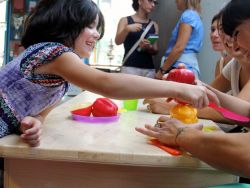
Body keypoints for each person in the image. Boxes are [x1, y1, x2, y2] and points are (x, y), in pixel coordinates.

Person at [0, 0, 218, 147]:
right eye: (91, 26)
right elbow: (106, 82)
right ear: (65, 24)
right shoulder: (55, 53)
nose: (97, 35)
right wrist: (178, 87)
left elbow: (39, 114)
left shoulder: (61, 79)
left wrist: (35, 121)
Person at [136, 0, 250, 178]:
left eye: (234, 33)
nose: (231, 43)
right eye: (219, 31)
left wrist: (181, 134)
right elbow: (245, 113)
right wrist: (198, 88)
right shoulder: (232, 65)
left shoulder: (188, 17)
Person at [155, 0, 203, 80]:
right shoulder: (195, 16)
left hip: (179, 69)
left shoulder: (188, 15)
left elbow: (179, 48)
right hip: (188, 68)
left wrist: (162, 70)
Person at [115, 0, 159, 78]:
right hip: (129, 68)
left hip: (149, 70)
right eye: (150, 1)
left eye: (154, 2)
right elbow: (118, 42)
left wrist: (148, 47)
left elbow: (155, 50)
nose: (153, 5)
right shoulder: (125, 20)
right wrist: (127, 29)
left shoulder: (154, 25)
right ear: (139, 1)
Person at [210, 12, 232, 78]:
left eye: (222, 29)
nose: (214, 35)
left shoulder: (241, 62)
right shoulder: (220, 63)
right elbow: (212, 88)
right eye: (213, 30)